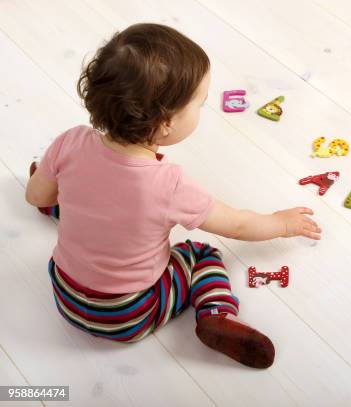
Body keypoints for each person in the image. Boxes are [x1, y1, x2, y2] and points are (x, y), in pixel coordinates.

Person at [25, 23, 321, 369]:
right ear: (166, 123)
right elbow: (238, 226)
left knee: (75, 201)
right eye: (199, 104)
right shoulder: (169, 185)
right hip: (131, 313)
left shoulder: (71, 142)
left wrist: (56, 189)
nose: (201, 110)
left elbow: (34, 197)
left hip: (65, 295)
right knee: (201, 254)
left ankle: (64, 198)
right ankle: (215, 314)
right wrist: (280, 224)